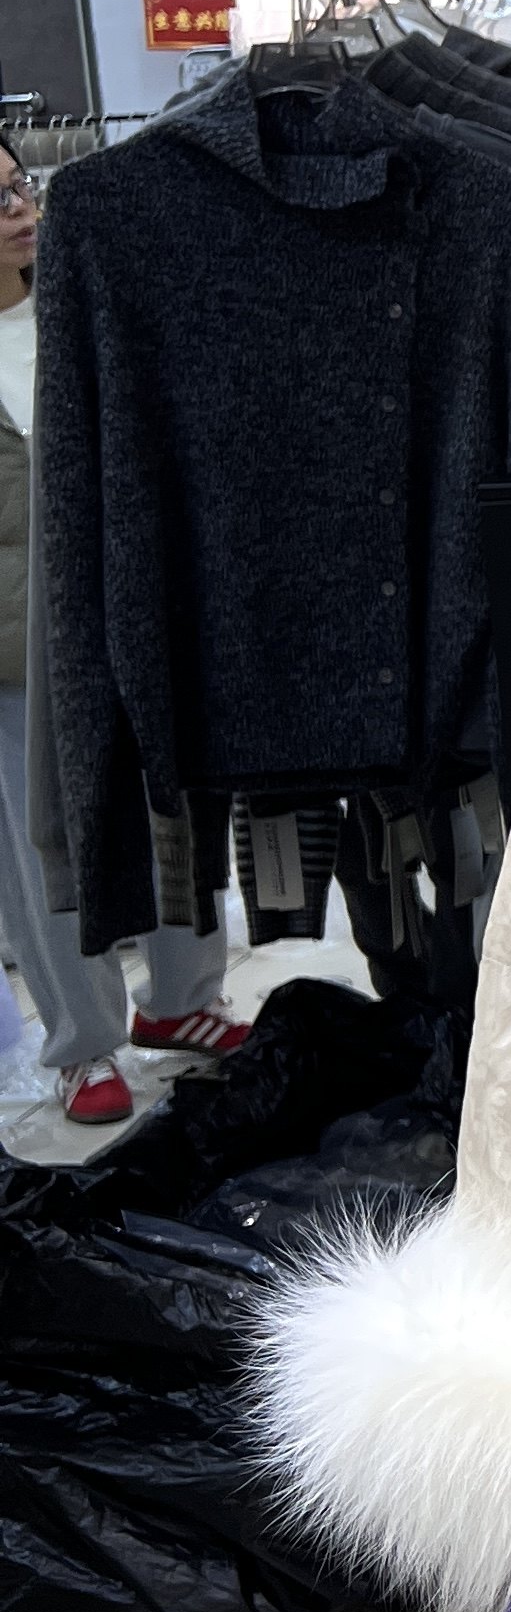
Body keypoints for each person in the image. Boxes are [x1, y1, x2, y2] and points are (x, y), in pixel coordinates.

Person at [0, 140, 243, 1123]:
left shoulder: (80, 307)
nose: (21, 210)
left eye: (18, 186)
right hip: (12, 647)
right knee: (41, 847)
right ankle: (83, 1044)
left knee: (170, 802)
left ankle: (181, 1001)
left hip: (128, 601)